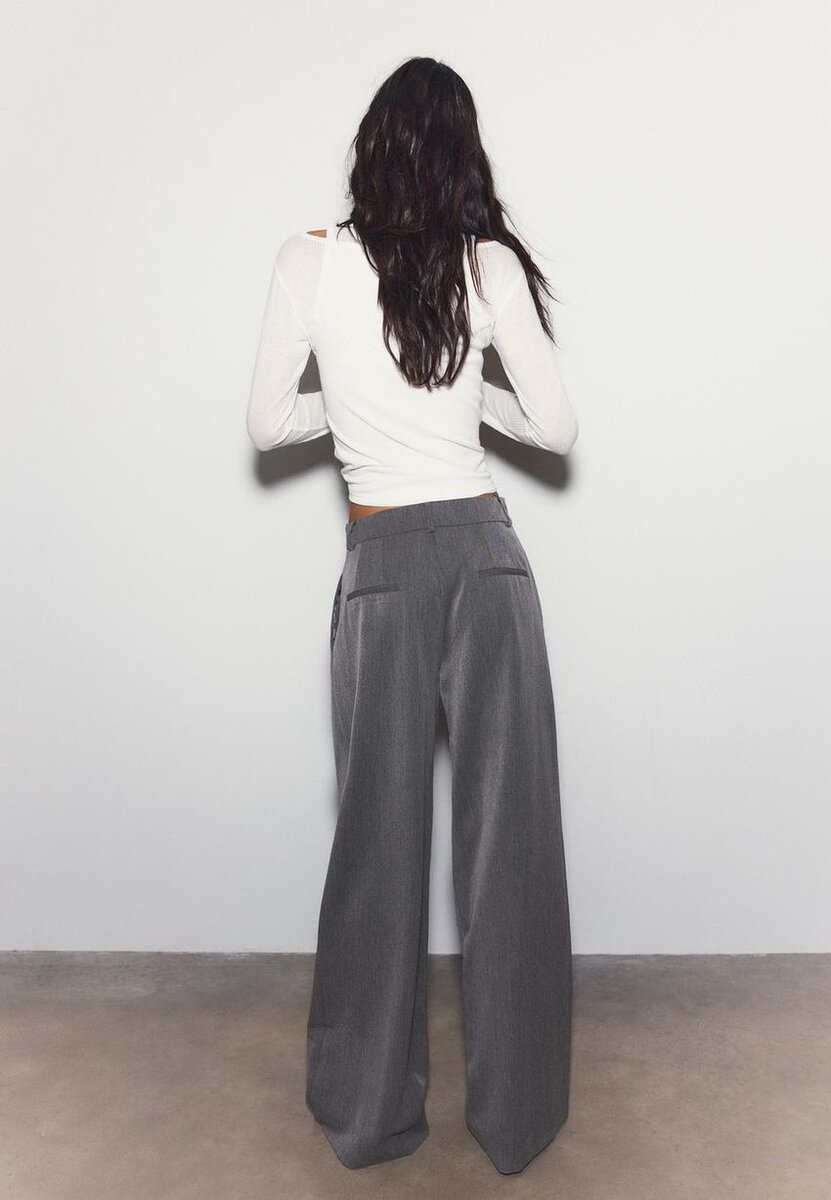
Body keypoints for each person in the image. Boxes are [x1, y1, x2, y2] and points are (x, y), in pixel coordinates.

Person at [245, 56, 578, 1177]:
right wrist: (462, 388)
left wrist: (351, 405)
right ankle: (518, 1119)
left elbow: (266, 424)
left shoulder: (309, 259)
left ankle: (368, 1113)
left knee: (374, 851)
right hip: (487, 561)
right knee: (511, 848)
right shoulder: (488, 265)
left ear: (373, 144)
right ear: (462, 155)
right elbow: (555, 427)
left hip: (382, 566)